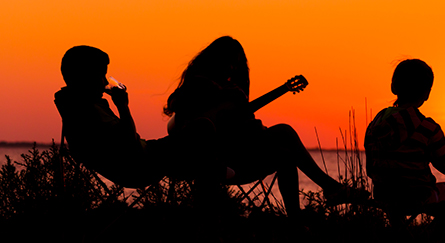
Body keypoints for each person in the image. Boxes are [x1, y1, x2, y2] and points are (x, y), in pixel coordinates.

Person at [163, 36, 368, 218]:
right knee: (284, 132)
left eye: (236, 65)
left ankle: (296, 220)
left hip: (237, 159)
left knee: (285, 155)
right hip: (209, 163)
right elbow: (174, 105)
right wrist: (220, 94)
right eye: (229, 63)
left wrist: (250, 124)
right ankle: (331, 188)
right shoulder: (199, 84)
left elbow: (240, 129)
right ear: (215, 61)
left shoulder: (234, 93)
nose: (232, 69)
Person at [364, 59, 445, 227]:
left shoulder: (375, 123)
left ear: (393, 87)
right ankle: (433, 240)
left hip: (383, 195)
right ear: (427, 93)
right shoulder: (428, 127)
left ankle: (401, 233)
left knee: (395, 197)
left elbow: (369, 169)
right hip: (417, 197)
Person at [54, 45, 164, 188]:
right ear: (86, 77)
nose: (106, 82)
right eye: (101, 75)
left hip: (144, 156)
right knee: (200, 133)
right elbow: (129, 142)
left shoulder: (73, 104)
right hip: (141, 165)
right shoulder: (88, 111)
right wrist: (122, 106)